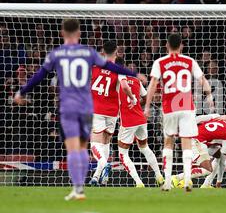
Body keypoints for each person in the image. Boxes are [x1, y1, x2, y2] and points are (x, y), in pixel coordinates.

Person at [13, 19, 136, 200]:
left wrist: (21, 91)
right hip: (86, 107)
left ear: (62, 33)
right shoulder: (88, 52)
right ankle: (93, 176)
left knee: (73, 149)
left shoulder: (57, 53)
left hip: (67, 107)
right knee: (84, 146)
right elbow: (110, 65)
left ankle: (78, 189)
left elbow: (40, 75)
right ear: (79, 34)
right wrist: (134, 74)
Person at [144, 33, 214, 192]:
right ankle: (188, 179)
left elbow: (153, 84)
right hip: (187, 107)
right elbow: (202, 79)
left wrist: (147, 106)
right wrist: (209, 95)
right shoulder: (189, 61)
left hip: (169, 108)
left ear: (167, 46)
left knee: (168, 142)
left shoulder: (160, 62)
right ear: (181, 45)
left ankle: (167, 181)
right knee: (186, 142)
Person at [89, 41, 135, 186]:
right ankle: (98, 177)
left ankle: (103, 163)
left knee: (94, 144)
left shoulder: (95, 65)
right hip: (113, 111)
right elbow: (125, 86)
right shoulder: (119, 69)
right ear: (116, 52)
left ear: (103, 51)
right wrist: (132, 97)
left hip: (96, 109)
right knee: (105, 142)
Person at [116, 60, 164, 187]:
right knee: (145, 148)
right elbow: (146, 96)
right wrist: (137, 104)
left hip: (128, 121)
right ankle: (159, 176)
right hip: (141, 119)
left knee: (122, 154)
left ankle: (138, 182)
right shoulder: (136, 80)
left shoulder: (118, 79)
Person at [171, 114, 226, 189]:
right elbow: (223, 164)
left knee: (218, 155)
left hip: (195, 137)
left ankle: (207, 184)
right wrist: (219, 181)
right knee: (208, 170)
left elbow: (200, 118)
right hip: (196, 141)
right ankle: (177, 178)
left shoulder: (220, 117)